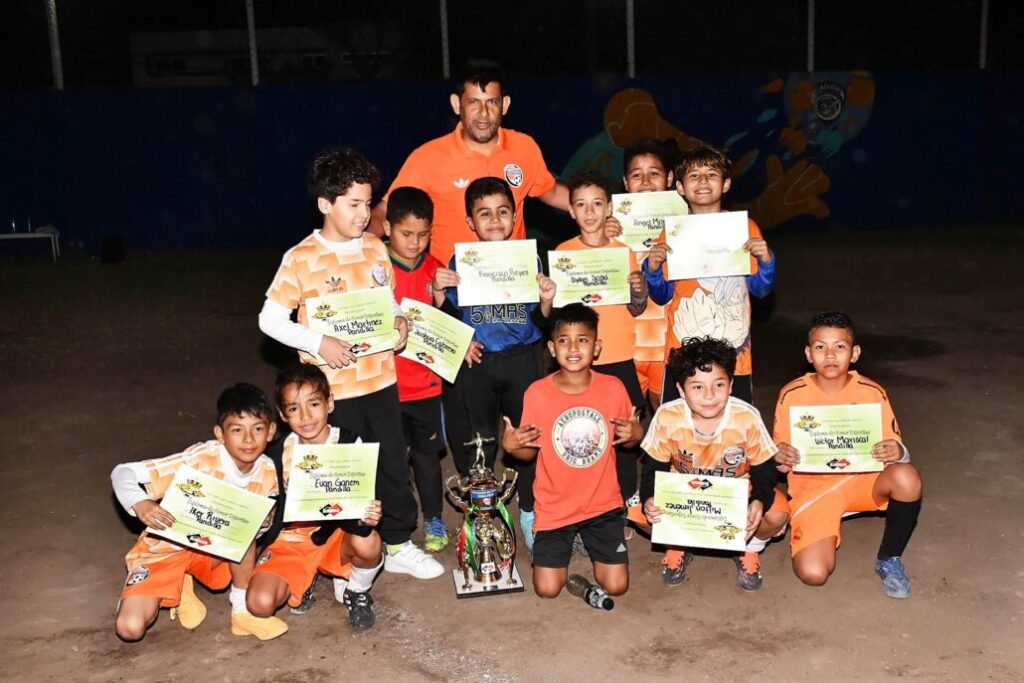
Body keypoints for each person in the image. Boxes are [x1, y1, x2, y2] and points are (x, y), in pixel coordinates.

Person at [259, 147, 442, 580]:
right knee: (342, 473)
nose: (365, 214)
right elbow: (269, 319)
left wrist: (398, 319)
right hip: (333, 393)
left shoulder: (377, 249)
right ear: (325, 204)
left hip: (380, 381)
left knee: (392, 464)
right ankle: (345, 552)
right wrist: (317, 341)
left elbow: (389, 301)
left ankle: (397, 542)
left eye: (368, 203)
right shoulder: (300, 258)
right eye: (354, 204)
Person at [431, 176, 556, 551]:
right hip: (479, 362)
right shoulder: (459, 261)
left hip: (522, 359)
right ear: (470, 221)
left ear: (515, 214)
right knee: (477, 440)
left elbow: (540, 316)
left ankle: (533, 514)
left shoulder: (528, 259)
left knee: (528, 437)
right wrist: (439, 292)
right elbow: (447, 315)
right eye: (484, 214)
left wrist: (548, 299)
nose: (495, 220)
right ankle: (479, 519)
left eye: (503, 211)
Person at [111, 384, 286, 642]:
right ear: (220, 433)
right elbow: (122, 472)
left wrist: (263, 523)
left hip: (212, 551)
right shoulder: (200, 459)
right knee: (130, 628)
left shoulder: (269, 471)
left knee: (246, 525)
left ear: (270, 431)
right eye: (237, 430)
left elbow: (256, 533)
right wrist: (140, 502)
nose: (248, 440)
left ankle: (241, 612)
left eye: (257, 428)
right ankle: (175, 583)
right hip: (166, 549)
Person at [772, 312, 923, 598]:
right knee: (813, 574)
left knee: (906, 477)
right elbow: (779, 456)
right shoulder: (791, 395)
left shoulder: (872, 392)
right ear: (808, 353)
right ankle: (818, 528)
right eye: (820, 347)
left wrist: (898, 450)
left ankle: (889, 558)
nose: (830, 355)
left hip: (862, 480)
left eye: (840, 347)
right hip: (813, 487)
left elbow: (895, 447)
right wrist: (779, 456)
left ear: (854, 354)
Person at [502, 304, 642, 599]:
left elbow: (628, 441)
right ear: (552, 348)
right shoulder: (537, 393)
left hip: (601, 505)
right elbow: (530, 454)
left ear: (597, 347)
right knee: (547, 589)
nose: (574, 348)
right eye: (564, 340)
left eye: (583, 339)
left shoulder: (613, 388)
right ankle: (565, 540)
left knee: (617, 586)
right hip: (556, 507)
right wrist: (513, 446)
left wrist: (635, 434)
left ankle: (587, 539)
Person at [369, 58, 568, 264]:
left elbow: (552, 193)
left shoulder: (524, 147)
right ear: (457, 104)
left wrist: (602, 208)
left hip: (513, 282)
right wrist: (352, 245)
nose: (483, 113)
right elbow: (386, 211)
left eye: (492, 101)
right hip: (452, 288)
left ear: (505, 105)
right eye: (473, 102)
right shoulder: (428, 158)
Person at [640, 337, 789, 591]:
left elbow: (764, 468)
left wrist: (759, 500)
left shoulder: (746, 417)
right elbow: (653, 467)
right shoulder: (667, 416)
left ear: (730, 385)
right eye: (697, 387)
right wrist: (649, 498)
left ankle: (747, 548)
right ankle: (678, 545)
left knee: (777, 513)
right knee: (637, 510)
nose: (709, 395)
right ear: (680, 389)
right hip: (685, 496)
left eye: (718, 384)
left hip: (736, 493)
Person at [247, 365, 384, 630]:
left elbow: (361, 500)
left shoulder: (349, 442)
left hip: (338, 534)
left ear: (329, 403)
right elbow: (265, 506)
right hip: (293, 539)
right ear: (282, 414)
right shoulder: (276, 452)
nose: (306, 416)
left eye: (314, 404)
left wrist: (368, 517)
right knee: (259, 604)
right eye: (294, 408)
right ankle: (304, 577)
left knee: (369, 542)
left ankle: (356, 590)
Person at [641, 146, 777, 404]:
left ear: (726, 184)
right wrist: (654, 270)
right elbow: (662, 296)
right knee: (679, 436)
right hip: (683, 354)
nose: (703, 181)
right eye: (693, 176)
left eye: (712, 174)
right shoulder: (672, 234)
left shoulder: (745, 228)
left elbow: (761, 289)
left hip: (735, 356)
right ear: (680, 187)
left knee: (733, 437)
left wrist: (767, 261)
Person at [554, 170, 648, 521]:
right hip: (579, 362)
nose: (590, 212)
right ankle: (583, 506)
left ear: (610, 208)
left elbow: (637, 306)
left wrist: (638, 291)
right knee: (582, 437)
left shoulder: (625, 253)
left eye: (597, 204)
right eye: (581, 205)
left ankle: (625, 500)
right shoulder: (563, 254)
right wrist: (548, 299)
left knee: (623, 439)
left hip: (620, 356)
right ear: (571, 211)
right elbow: (557, 318)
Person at [382, 186, 449, 552]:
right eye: (407, 234)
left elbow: (446, 327)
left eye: (423, 234)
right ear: (388, 228)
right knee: (392, 458)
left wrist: (441, 296)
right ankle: (398, 525)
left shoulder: (436, 268)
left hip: (425, 387)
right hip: (385, 386)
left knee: (426, 458)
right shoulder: (374, 268)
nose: (415, 242)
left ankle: (435, 520)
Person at [619, 139, 678, 410]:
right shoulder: (609, 227)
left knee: (666, 417)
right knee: (625, 423)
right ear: (624, 182)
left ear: (669, 178)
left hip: (666, 344)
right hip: (624, 345)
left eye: (654, 173)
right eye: (636, 175)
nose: (645, 182)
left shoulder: (686, 225)